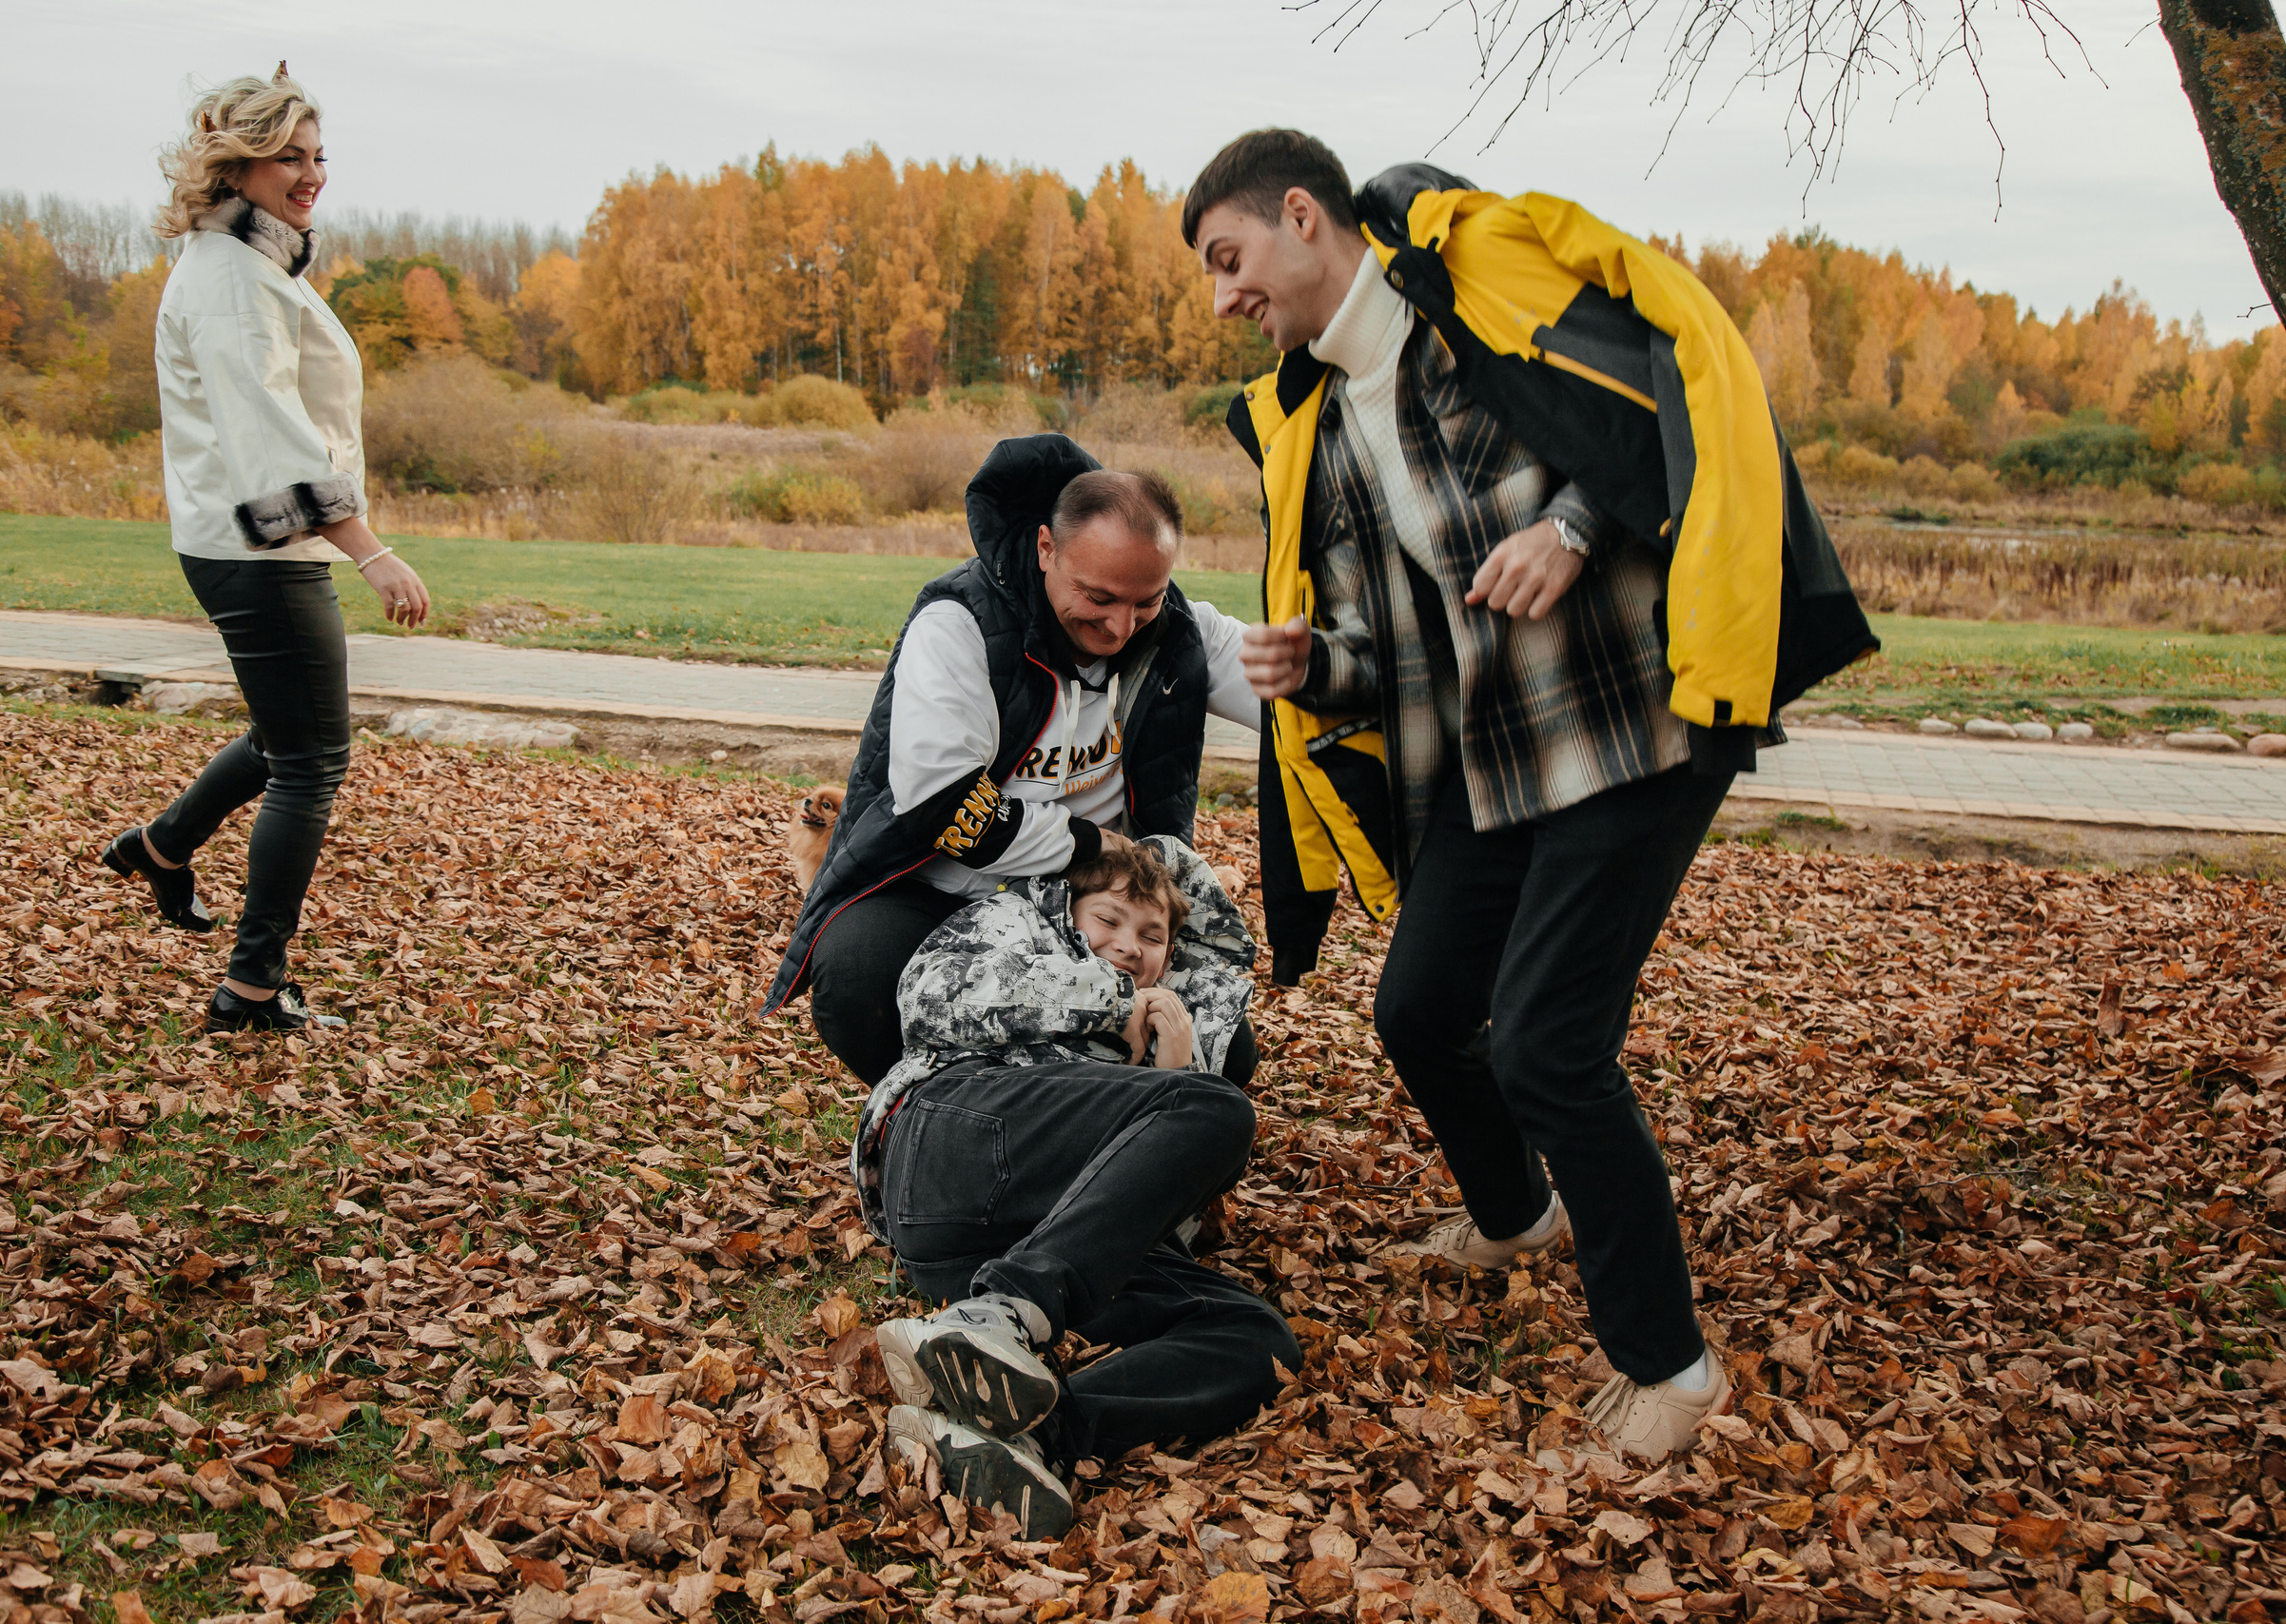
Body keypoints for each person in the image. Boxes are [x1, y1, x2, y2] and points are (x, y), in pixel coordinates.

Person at [1186, 131, 1876, 1461]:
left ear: (1302, 215)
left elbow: (1657, 394)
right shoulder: (1325, 415)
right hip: (1497, 752)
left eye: (1230, 258)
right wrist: (1313, 664)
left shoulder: (1474, 297)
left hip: (1633, 722)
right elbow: (1388, 644)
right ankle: (1515, 1216)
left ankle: (1670, 1368)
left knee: (1549, 1048)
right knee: (1420, 1008)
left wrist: (1571, 528)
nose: (1224, 298)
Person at [763, 435, 1261, 1086]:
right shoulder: (958, 625)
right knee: (858, 983)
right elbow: (947, 808)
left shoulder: (1178, 630)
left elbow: (1302, 692)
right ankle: (953, 1113)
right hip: (941, 888)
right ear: (1045, 548)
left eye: (1145, 601)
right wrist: (1091, 843)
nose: (1120, 628)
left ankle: (1085, 1107)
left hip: (1086, 907)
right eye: (1099, 598)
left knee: (1227, 1051)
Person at [99, 66, 432, 1033]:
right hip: (259, 552)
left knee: (286, 735)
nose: (312, 173)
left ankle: (162, 847)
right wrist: (369, 551)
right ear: (235, 166)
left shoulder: (245, 265)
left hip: (242, 544)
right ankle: (251, 985)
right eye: (288, 156)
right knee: (311, 760)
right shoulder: (234, 282)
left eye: (318, 154)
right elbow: (270, 442)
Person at [860, 837, 1296, 1537]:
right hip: (954, 1144)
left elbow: (1152, 1229)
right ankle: (999, 1318)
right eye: (1109, 919)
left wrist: (1170, 1072)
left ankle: (1032, 1434)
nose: (1129, 946)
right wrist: (1111, 1004)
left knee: (1257, 1339)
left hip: (1021, 1251)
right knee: (1216, 1107)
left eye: (1152, 936)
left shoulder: (1170, 1051)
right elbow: (929, 998)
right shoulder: (1019, 921)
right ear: (1069, 908)